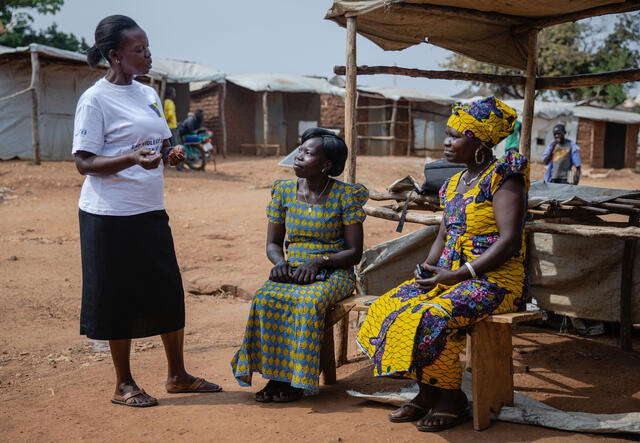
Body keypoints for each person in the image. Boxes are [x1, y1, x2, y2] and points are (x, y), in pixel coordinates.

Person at [73, 15, 221, 408]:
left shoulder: (149, 94)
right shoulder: (95, 99)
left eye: (148, 47)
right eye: (138, 50)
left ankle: (177, 376)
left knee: (167, 291)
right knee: (115, 298)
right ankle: (124, 384)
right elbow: (84, 163)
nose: (147, 55)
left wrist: (169, 154)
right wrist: (130, 158)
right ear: (115, 56)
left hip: (150, 209)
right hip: (107, 215)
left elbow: (160, 146)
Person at [357, 97, 529, 432]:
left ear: (479, 142)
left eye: (454, 136)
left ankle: (452, 399)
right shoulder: (453, 184)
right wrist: (428, 267)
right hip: (450, 276)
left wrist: (459, 273)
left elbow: (509, 241)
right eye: (446, 135)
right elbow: (443, 234)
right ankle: (427, 391)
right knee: (386, 307)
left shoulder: (505, 178)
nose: (446, 142)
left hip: (494, 282)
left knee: (431, 317)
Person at [230, 128, 368, 402]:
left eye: (307, 153)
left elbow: (354, 252)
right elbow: (273, 244)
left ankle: (296, 380)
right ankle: (276, 376)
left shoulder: (345, 196)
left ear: (327, 165)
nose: (298, 157)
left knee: (307, 301)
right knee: (265, 298)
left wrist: (318, 262)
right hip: (293, 268)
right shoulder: (283, 192)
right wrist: (280, 262)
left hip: (334, 270)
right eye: (299, 150)